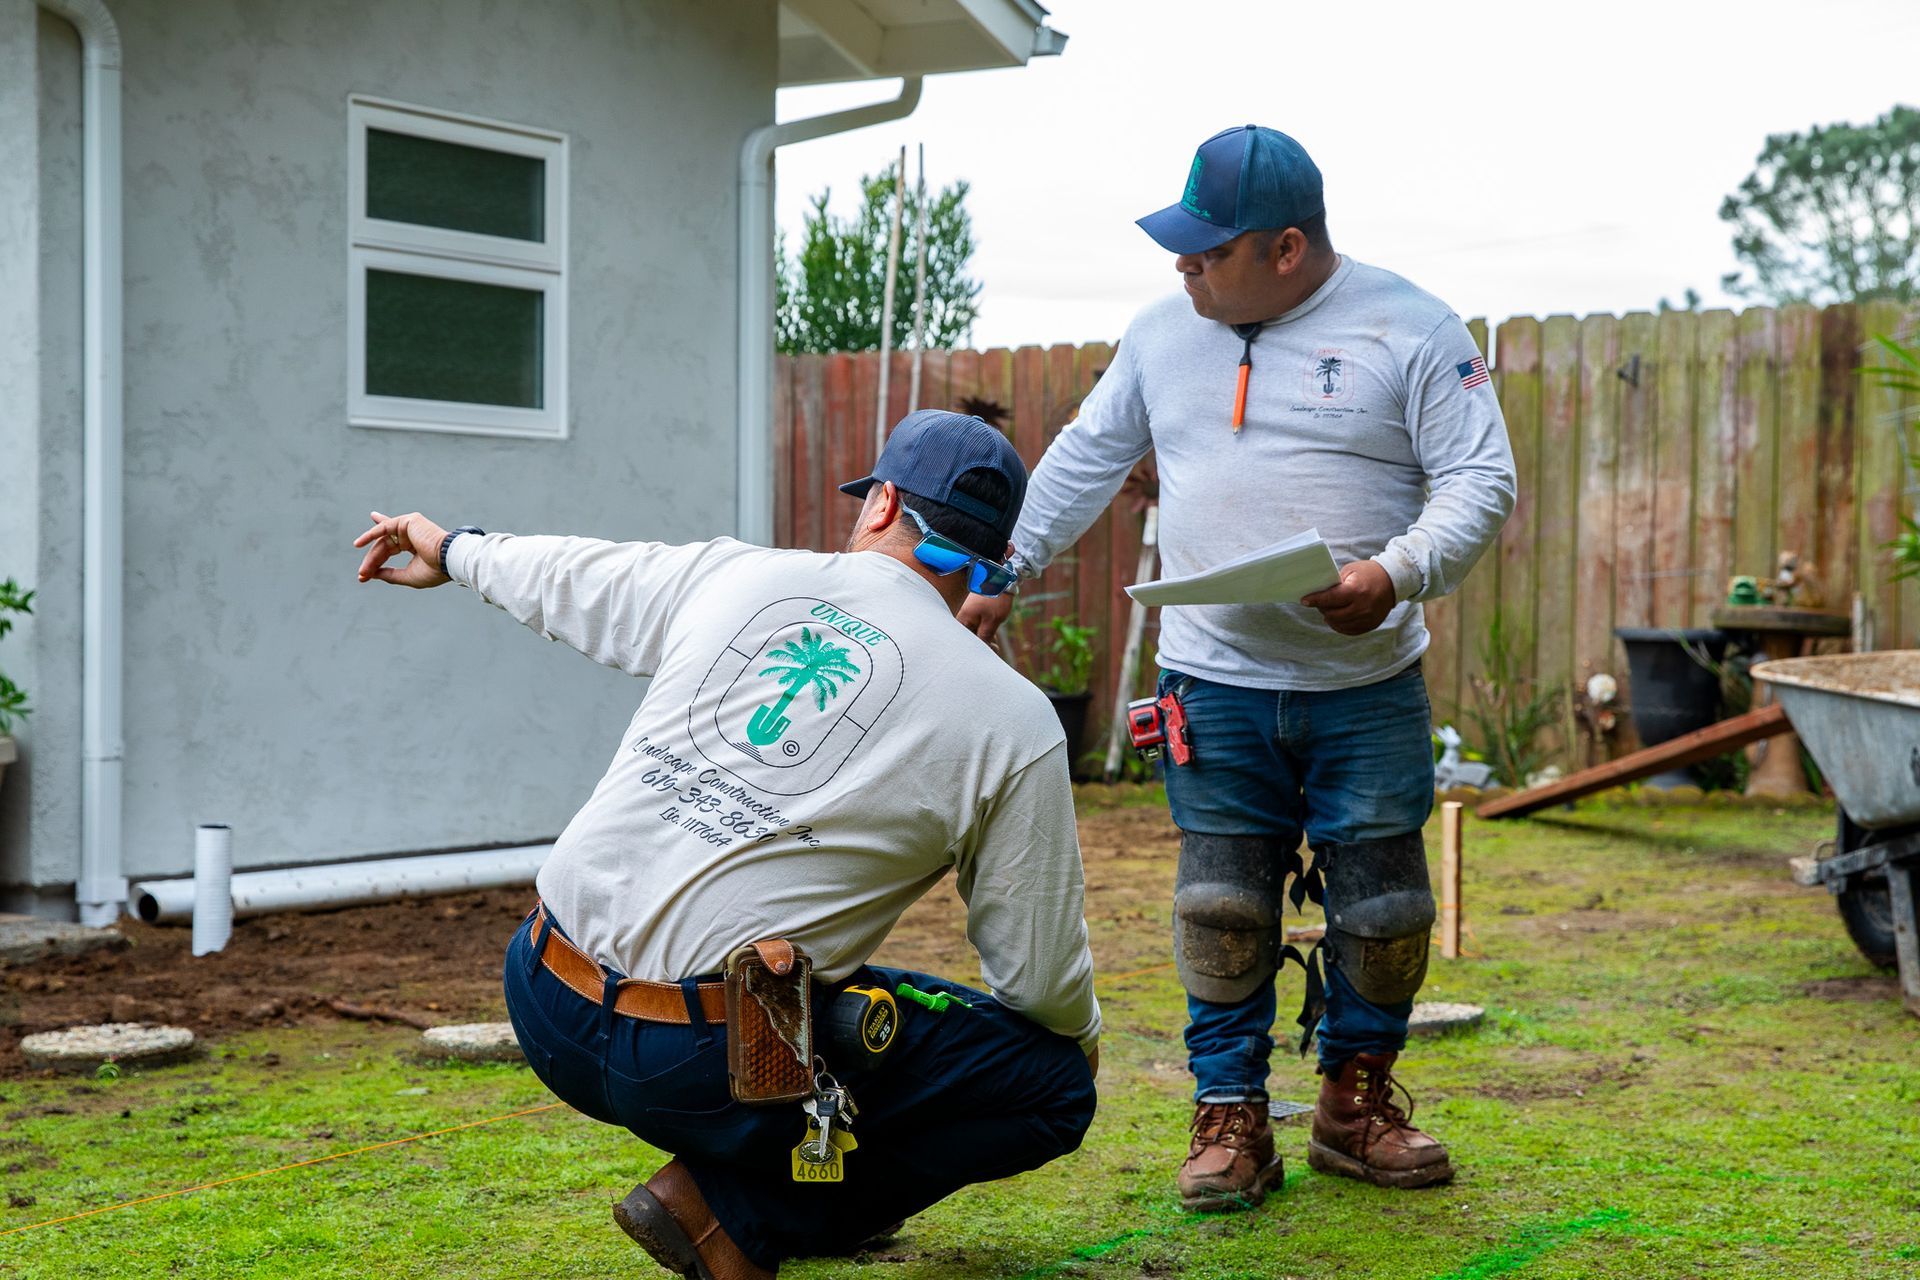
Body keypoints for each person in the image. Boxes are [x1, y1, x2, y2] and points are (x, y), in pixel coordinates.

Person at [353, 410, 1100, 1279]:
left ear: (884, 501)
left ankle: (757, 1191)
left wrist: (452, 549)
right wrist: (1076, 1037)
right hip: (704, 1064)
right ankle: (738, 1212)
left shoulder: (738, 575)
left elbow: (571, 574)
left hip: (543, 1000)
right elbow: (1037, 974)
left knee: (847, 990)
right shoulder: (1011, 718)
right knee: (1049, 1086)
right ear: (993, 556)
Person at [960, 125, 1516, 1211]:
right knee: (1220, 905)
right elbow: (1085, 456)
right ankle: (1232, 1118)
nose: (1184, 267)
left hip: (1368, 688)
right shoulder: (1163, 333)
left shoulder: (1414, 328)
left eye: (1209, 252)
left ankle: (1356, 1106)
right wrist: (1003, 563)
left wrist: (1394, 573)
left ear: (1289, 248)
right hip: (1210, 681)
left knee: (1389, 906)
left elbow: (1480, 481)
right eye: (1182, 247)